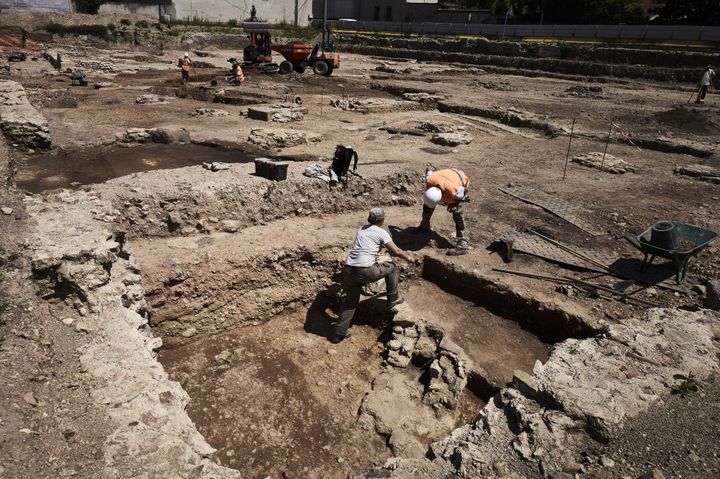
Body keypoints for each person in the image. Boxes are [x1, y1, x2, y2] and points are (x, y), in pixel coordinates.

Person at [332, 208, 413, 343]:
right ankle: (393, 298)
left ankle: (338, 334)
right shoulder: (381, 232)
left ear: (369, 218)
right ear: (382, 219)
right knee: (392, 268)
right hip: (364, 270)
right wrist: (409, 258)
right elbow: (397, 251)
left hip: (348, 269)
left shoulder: (362, 228)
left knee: (350, 301)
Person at [418, 167, 470, 256]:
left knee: (458, 215)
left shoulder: (455, 191)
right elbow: (428, 169)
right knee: (427, 206)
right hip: (444, 177)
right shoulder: (430, 180)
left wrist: (454, 204)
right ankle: (424, 226)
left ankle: (462, 245)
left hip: (459, 180)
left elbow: (465, 190)